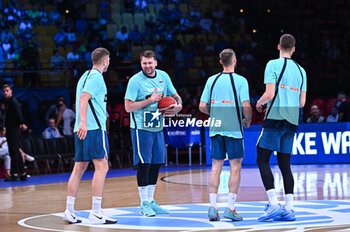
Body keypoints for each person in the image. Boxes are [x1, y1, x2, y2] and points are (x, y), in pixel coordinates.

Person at [124, 50, 182, 217]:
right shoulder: (135, 81)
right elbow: (128, 107)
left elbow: (176, 96)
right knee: (145, 164)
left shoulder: (164, 76)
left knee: (156, 163)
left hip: (157, 126)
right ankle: (143, 203)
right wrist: (150, 100)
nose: (147, 66)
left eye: (150, 63)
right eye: (144, 63)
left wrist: (178, 106)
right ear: (141, 64)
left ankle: (151, 201)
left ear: (155, 63)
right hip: (141, 128)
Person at [255, 34, 307, 221]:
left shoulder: (272, 64)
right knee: (285, 164)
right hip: (292, 121)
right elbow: (302, 103)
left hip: (275, 118)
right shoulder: (302, 71)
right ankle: (290, 209)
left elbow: (269, 94)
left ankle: (274, 204)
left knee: (262, 159)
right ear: (293, 49)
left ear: (278, 47)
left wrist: (259, 103)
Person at [63, 47, 117, 224]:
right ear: (104, 61)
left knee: (79, 168)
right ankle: (96, 212)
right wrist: (84, 122)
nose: (109, 62)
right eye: (108, 59)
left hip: (82, 129)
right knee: (102, 167)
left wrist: (81, 123)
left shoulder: (84, 76)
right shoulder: (96, 77)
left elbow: (80, 99)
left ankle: (69, 211)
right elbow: (84, 98)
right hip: (92, 128)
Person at [199, 48, 252, 221]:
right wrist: (247, 120)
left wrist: (215, 114)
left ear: (220, 61)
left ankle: (213, 208)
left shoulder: (211, 80)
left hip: (216, 128)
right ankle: (230, 208)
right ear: (235, 61)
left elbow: (201, 106)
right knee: (235, 167)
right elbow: (246, 106)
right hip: (234, 129)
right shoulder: (241, 81)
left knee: (216, 166)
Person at [2, 84, 28, 181]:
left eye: (7, 90)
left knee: (13, 151)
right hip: (12, 128)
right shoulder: (8, 102)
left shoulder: (13, 101)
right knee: (16, 150)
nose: (5, 92)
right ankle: (22, 173)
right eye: (4, 91)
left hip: (13, 128)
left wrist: (21, 123)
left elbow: (19, 113)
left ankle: (15, 174)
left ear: (11, 91)